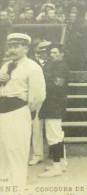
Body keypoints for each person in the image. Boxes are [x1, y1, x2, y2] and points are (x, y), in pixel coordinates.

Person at [0, 33, 46, 185]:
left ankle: (18, 186)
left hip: (18, 112)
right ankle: (4, 185)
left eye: (17, 46)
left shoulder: (33, 67)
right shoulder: (5, 66)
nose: (12, 49)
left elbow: (38, 96)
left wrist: (26, 112)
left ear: (26, 49)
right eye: (11, 46)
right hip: (2, 112)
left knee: (17, 150)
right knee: (3, 151)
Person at [38, 43, 69, 178]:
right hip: (51, 103)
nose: (52, 55)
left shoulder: (63, 67)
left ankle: (56, 167)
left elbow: (57, 84)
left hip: (55, 103)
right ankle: (62, 163)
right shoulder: (53, 65)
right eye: (51, 53)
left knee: (53, 135)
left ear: (62, 54)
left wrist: (40, 82)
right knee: (57, 134)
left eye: (55, 53)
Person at [28, 40, 51, 166]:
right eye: (42, 49)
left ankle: (55, 153)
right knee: (36, 127)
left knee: (53, 127)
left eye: (47, 50)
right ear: (36, 50)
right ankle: (38, 154)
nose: (45, 52)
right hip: (37, 99)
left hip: (51, 99)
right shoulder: (31, 63)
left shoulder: (53, 62)